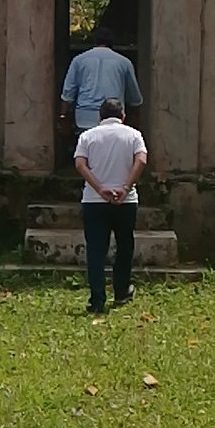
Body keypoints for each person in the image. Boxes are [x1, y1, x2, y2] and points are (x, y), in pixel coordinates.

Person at [74, 97, 148, 314]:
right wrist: (125, 188)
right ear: (123, 116)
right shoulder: (134, 135)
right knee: (125, 246)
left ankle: (97, 299)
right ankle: (122, 291)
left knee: (96, 250)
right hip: (126, 201)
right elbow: (141, 160)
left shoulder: (88, 136)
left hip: (94, 201)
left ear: (100, 116)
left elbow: (80, 163)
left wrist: (99, 188)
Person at [60, 27, 143, 134]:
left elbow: (67, 95)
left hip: (85, 119)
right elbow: (135, 99)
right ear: (112, 43)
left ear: (95, 41)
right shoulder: (124, 63)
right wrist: (135, 122)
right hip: (114, 120)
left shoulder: (79, 60)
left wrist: (63, 117)